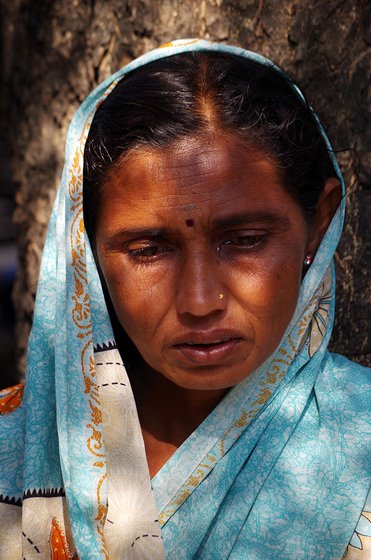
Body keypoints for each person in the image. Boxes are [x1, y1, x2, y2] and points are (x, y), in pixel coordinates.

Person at [0, 39, 369, 560]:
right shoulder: (9, 448)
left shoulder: (363, 443)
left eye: (244, 241)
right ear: (85, 250)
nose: (200, 301)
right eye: (149, 250)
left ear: (319, 223)